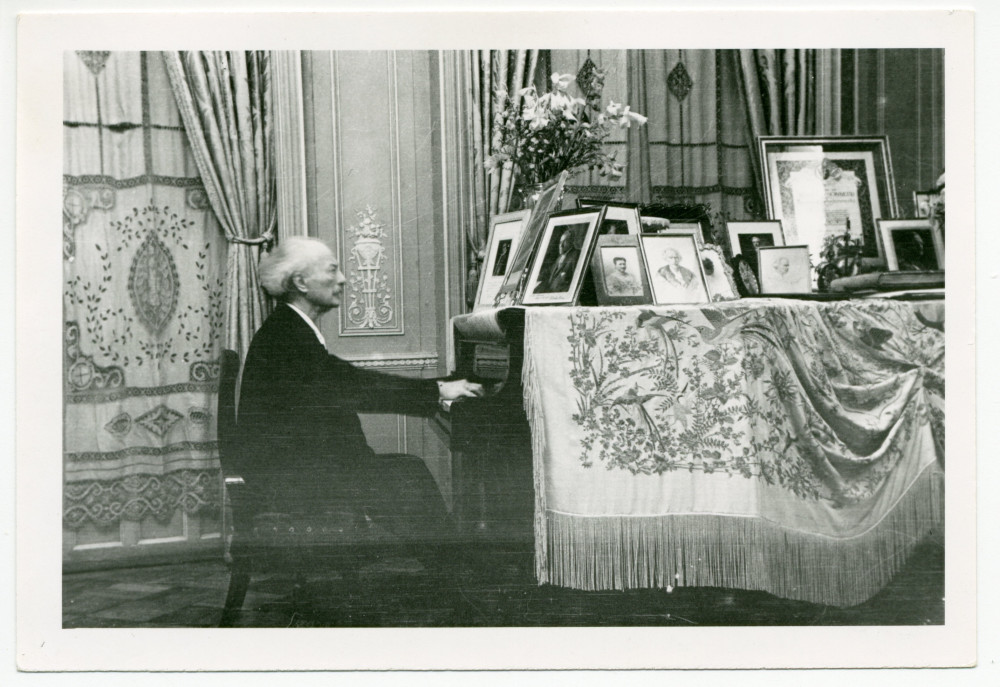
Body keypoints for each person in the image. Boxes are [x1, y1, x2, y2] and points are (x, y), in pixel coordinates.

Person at [236, 236, 484, 541]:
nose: (342, 280)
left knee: (405, 472)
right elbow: (353, 385)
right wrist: (438, 391)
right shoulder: (289, 335)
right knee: (407, 476)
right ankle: (456, 571)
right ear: (300, 282)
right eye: (331, 271)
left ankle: (452, 565)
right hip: (292, 479)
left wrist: (436, 389)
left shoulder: (288, 327)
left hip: (299, 467)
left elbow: (342, 382)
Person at [534, 229, 580, 293]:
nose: (561, 245)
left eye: (564, 242)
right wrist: (535, 276)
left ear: (571, 242)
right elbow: (550, 271)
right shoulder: (560, 257)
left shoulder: (576, 255)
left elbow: (576, 281)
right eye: (560, 242)